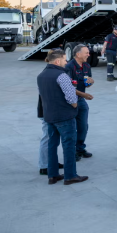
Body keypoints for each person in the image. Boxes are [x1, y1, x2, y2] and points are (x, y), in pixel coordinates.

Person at [37, 48, 88, 186]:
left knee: (52, 145)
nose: (66, 62)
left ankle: (52, 175)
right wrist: (75, 106)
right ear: (57, 61)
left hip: (49, 116)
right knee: (68, 145)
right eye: (65, 60)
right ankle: (70, 175)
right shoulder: (62, 75)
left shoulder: (41, 75)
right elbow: (71, 97)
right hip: (64, 116)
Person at [65, 44, 95, 161]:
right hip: (70, 101)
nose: (88, 54)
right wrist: (83, 95)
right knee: (71, 128)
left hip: (81, 100)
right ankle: (72, 151)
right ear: (78, 54)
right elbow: (68, 88)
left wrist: (90, 82)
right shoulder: (69, 67)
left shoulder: (87, 66)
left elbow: (87, 83)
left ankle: (80, 148)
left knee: (83, 126)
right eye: (86, 53)